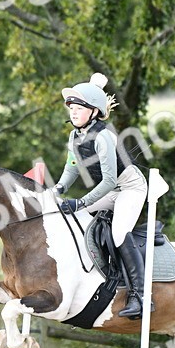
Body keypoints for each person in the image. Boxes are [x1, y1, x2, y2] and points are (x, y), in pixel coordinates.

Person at [53, 72, 152, 319]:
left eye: (79, 108)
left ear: (94, 111)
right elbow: (72, 165)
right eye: (71, 108)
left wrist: (82, 201)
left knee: (119, 233)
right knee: (78, 220)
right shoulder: (75, 135)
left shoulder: (104, 136)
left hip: (130, 188)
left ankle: (140, 297)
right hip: (111, 190)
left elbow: (108, 180)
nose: (73, 113)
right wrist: (59, 188)